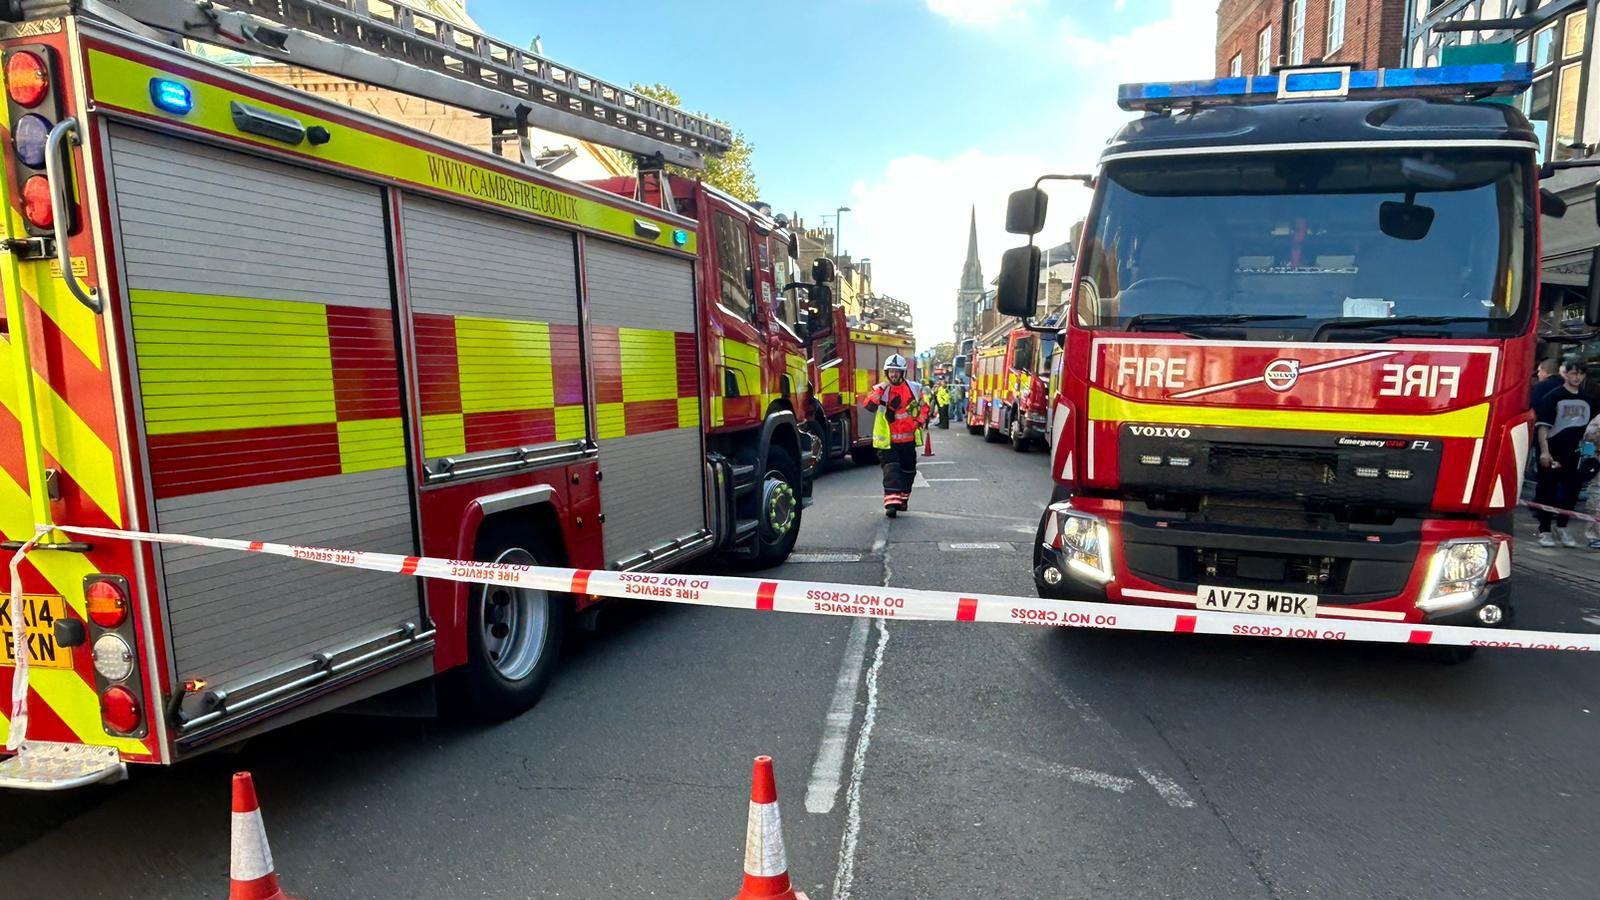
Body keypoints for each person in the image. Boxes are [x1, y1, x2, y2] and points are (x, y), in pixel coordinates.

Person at [1533, 359, 1599, 547]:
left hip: (1577, 453)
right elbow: (1543, 427)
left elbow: (1591, 431)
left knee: (1572, 490)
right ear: (1565, 374)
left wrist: (1589, 454)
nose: (1576, 377)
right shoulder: (1553, 397)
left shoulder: (1589, 400)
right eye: (1573, 373)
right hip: (1554, 451)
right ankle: (1545, 529)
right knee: (1548, 489)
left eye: (1580, 373)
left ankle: (1562, 526)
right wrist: (1545, 452)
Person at [863, 354, 927, 517]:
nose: (893, 374)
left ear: (903, 372)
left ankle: (903, 499)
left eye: (896, 372)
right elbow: (869, 406)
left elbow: (924, 407)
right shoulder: (881, 390)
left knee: (908, 472)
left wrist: (919, 421)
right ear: (886, 372)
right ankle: (891, 504)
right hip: (888, 442)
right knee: (891, 471)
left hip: (908, 440)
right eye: (890, 371)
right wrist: (881, 389)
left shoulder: (914, 388)